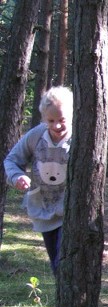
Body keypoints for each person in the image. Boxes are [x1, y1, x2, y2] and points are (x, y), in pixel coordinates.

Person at [4, 86, 74, 275]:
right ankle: (63, 300)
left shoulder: (78, 137)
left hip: (71, 211)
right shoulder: (36, 136)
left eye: (62, 120)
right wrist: (17, 176)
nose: (57, 126)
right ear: (44, 118)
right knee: (56, 265)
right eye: (51, 121)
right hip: (43, 208)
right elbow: (11, 160)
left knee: (64, 263)